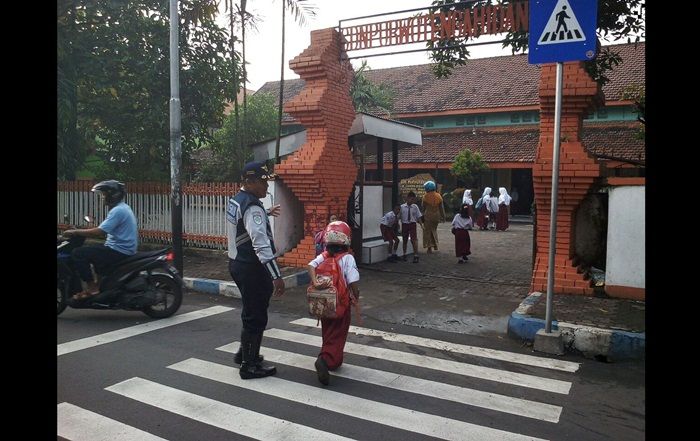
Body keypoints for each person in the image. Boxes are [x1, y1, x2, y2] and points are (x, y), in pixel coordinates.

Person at [227, 161, 285, 380]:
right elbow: (261, 244)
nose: (266, 187)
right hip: (252, 267)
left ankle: (244, 353)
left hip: (236, 263)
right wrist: (276, 276)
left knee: (250, 310)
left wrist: (264, 210)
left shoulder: (237, 200)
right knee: (256, 315)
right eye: (262, 182)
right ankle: (249, 365)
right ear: (249, 182)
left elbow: (242, 224)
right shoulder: (252, 207)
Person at [62, 180, 137, 300]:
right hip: (120, 247)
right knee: (95, 254)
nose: (102, 197)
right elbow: (103, 230)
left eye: (104, 194)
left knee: (78, 253)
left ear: (112, 195)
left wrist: (75, 232)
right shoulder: (122, 208)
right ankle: (99, 285)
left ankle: (92, 288)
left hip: (119, 250)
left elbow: (99, 231)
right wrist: (82, 230)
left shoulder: (118, 211)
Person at [307, 221, 360, 386]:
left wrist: (315, 282)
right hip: (341, 303)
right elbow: (353, 283)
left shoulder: (324, 255)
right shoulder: (348, 258)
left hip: (323, 302)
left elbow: (310, 266)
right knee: (338, 333)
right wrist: (355, 296)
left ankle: (333, 359)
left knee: (328, 330)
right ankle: (326, 360)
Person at [421, 181, 446, 254]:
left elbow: (423, 208)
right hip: (436, 216)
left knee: (427, 231)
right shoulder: (439, 196)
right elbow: (442, 208)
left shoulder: (425, 196)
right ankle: (435, 245)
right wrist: (443, 217)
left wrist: (421, 216)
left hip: (428, 216)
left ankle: (429, 247)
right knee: (434, 230)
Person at [400, 191, 423, 263]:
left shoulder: (415, 207)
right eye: (411, 199)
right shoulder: (402, 207)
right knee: (405, 240)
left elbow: (418, 216)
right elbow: (399, 216)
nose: (412, 201)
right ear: (407, 198)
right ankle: (404, 254)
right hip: (405, 224)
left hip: (412, 224)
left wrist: (421, 225)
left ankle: (416, 255)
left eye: (413, 199)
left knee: (414, 239)